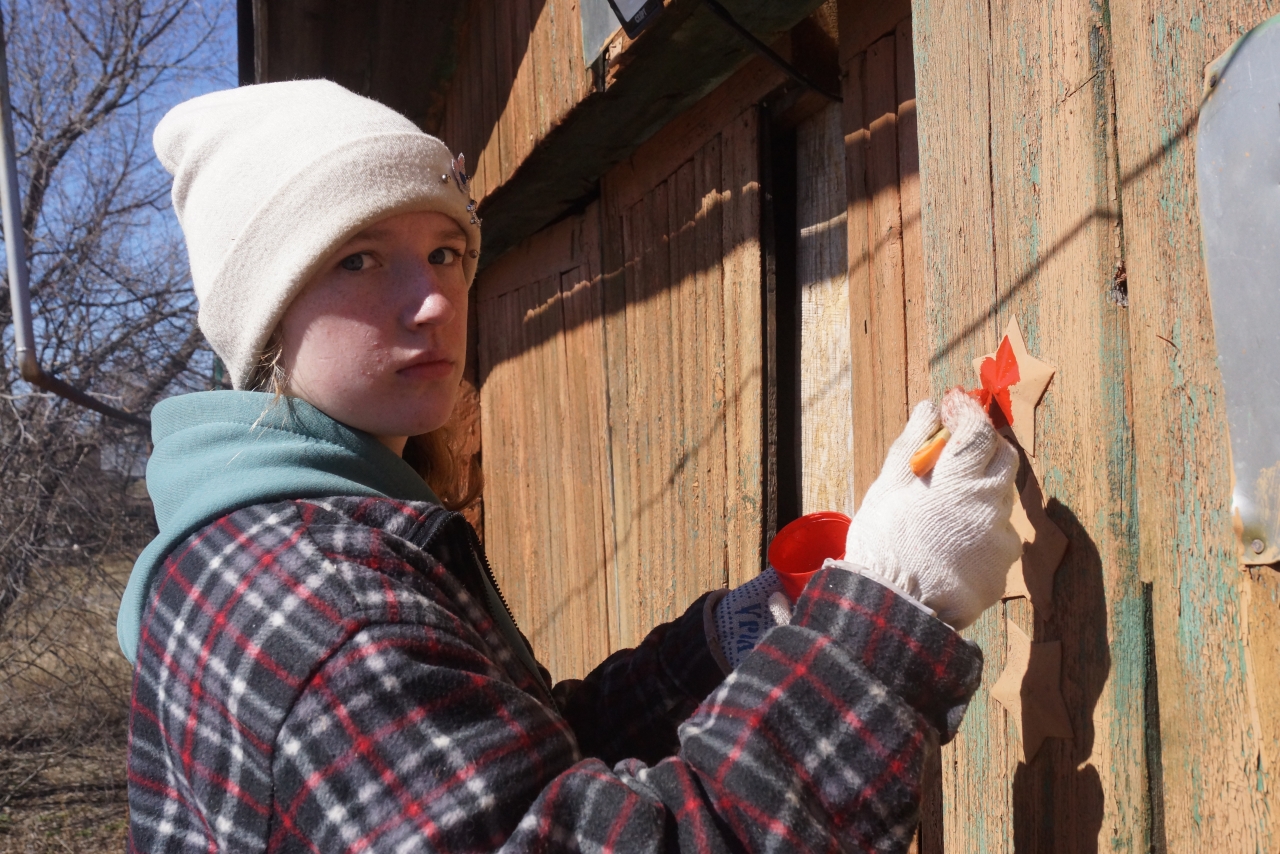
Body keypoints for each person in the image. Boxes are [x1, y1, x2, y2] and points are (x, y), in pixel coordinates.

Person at [120, 80, 1021, 854]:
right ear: (263, 318)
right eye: (359, 259)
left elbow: (519, 779)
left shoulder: (276, 539)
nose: (433, 298)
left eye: (444, 251)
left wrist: (747, 633)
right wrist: (888, 614)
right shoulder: (328, 607)